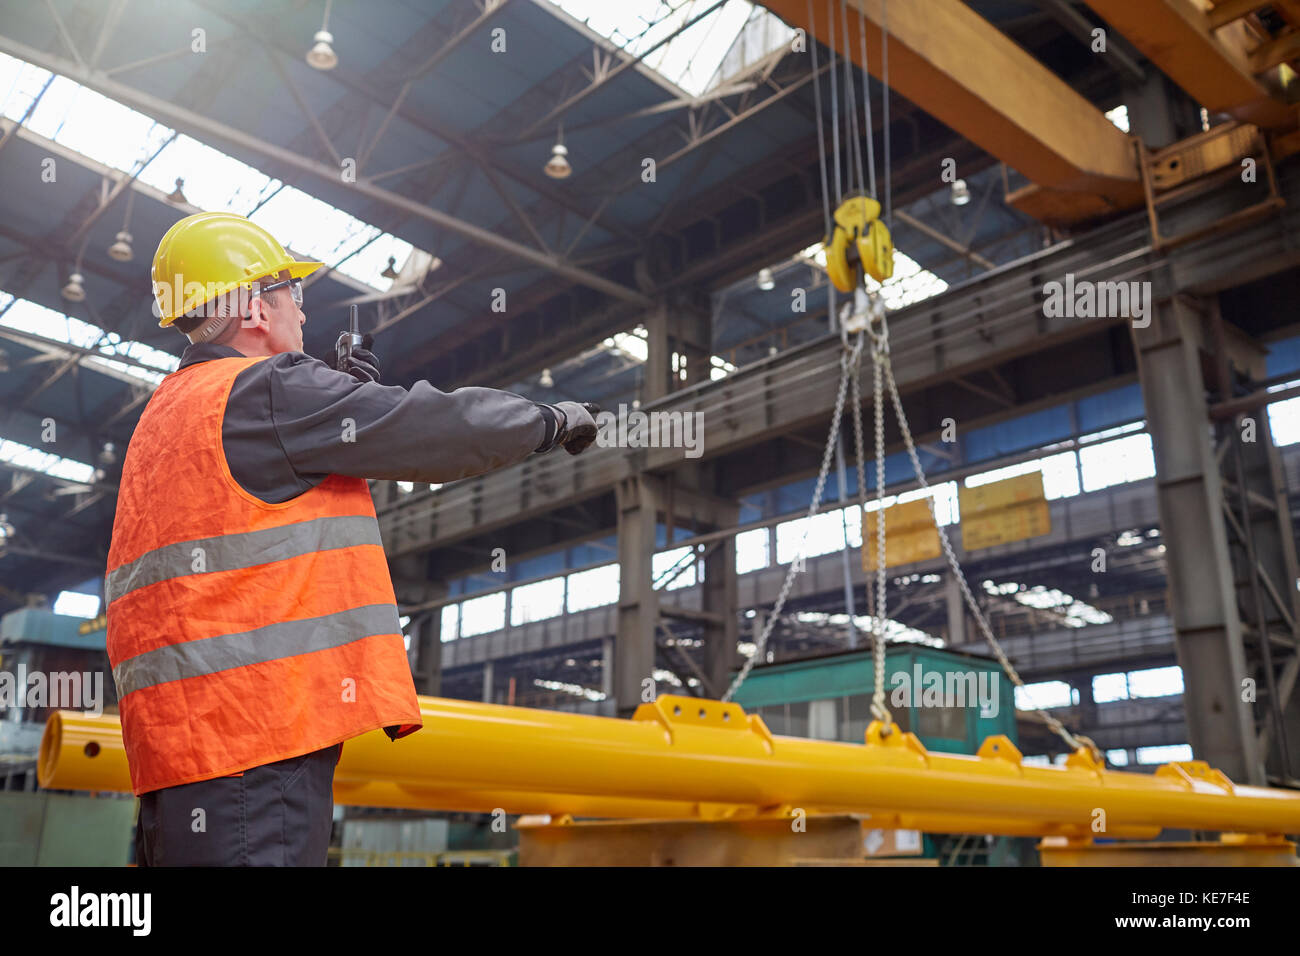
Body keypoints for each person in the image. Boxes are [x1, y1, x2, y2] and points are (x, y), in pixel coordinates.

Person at [108, 211, 597, 866]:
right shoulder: (268, 389)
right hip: (259, 745)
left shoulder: (163, 417)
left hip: (176, 757)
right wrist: (546, 419)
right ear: (256, 307)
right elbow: (434, 427)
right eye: (295, 296)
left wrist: (338, 409)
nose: (304, 317)